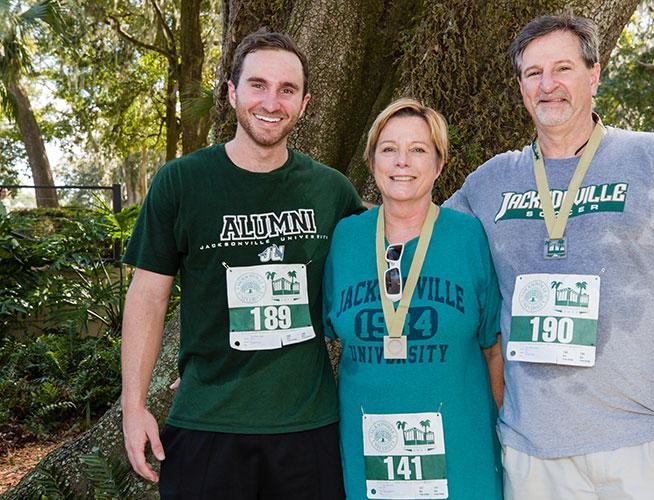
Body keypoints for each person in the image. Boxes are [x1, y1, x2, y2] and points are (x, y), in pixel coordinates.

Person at [444, 14, 654, 499]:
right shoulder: (489, 182)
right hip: (532, 451)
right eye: (533, 73)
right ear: (521, 86)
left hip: (645, 443)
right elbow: (418, 234)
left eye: (562, 68)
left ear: (595, 73)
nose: (548, 86)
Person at [121, 29, 362, 499]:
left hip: (307, 427)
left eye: (287, 90)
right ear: (231, 93)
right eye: (258, 85)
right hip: (206, 424)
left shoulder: (332, 192)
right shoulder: (181, 183)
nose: (271, 102)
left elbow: (376, 276)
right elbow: (148, 295)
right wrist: (133, 406)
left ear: (305, 103)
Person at [323, 98, 504, 499]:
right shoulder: (346, 239)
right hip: (371, 457)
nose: (402, 161)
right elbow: (314, 338)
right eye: (389, 149)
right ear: (372, 163)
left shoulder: (468, 236)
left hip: (462, 457)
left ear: (439, 164)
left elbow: (494, 348)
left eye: (418, 149)